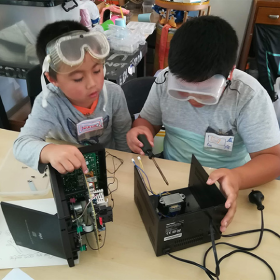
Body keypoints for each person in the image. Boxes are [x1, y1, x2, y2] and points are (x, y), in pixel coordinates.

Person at [126, 16, 280, 232]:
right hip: (172, 177)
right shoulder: (164, 81)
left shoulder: (248, 96)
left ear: (230, 73)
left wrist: (237, 178)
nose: (192, 100)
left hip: (229, 186)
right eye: (182, 89)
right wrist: (140, 129)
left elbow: (273, 159)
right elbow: (148, 121)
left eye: (205, 93)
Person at [14, 20, 131, 175]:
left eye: (97, 70)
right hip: (70, 169)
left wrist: (126, 170)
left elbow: (124, 141)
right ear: (53, 79)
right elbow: (21, 145)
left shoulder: (114, 94)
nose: (92, 84)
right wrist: (49, 151)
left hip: (110, 166)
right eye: (77, 78)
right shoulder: (49, 103)